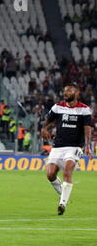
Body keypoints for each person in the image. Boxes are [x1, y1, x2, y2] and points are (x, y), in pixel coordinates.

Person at [41, 84, 93, 215]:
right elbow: (48, 121)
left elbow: (87, 129)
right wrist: (44, 129)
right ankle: (63, 194)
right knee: (50, 174)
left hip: (74, 146)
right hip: (58, 145)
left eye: (69, 91)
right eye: (64, 91)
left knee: (67, 170)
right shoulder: (57, 107)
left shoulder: (84, 110)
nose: (65, 93)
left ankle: (62, 203)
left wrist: (87, 146)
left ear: (76, 93)